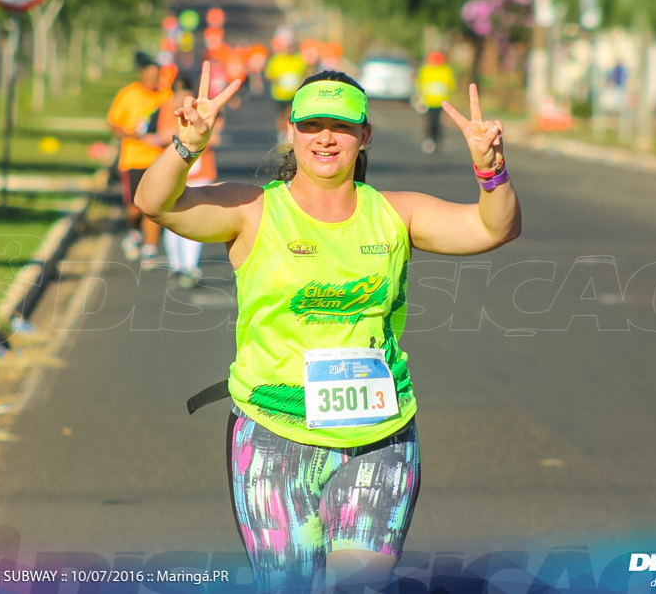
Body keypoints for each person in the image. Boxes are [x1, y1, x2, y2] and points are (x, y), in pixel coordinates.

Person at [136, 62, 521, 593]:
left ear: (364, 136)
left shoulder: (394, 214)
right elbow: (154, 203)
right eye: (312, 125)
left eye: (341, 126)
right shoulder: (251, 210)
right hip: (272, 432)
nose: (325, 138)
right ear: (290, 132)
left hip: (378, 438)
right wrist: (186, 146)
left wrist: (490, 168)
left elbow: (493, 226)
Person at [107, 52, 175, 264]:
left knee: (152, 205)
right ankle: (134, 231)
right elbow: (114, 125)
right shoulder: (128, 94)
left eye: (157, 75)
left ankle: (149, 247)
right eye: (150, 75)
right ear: (142, 75)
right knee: (135, 207)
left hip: (158, 160)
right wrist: (134, 136)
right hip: (133, 159)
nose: (154, 79)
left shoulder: (165, 96)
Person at [156, 74, 221, 288]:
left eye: (186, 94)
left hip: (201, 171)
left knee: (196, 219)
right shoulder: (168, 109)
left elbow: (216, 133)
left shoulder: (201, 107)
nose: (182, 98)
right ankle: (177, 265)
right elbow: (163, 134)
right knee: (173, 219)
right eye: (178, 94)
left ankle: (191, 266)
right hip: (175, 172)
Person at [415, 50, 456, 154]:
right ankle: (429, 140)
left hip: (441, 102)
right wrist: (419, 98)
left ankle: (436, 140)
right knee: (430, 122)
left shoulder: (445, 70)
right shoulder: (426, 70)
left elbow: (450, 85)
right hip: (428, 102)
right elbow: (419, 84)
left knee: (437, 122)